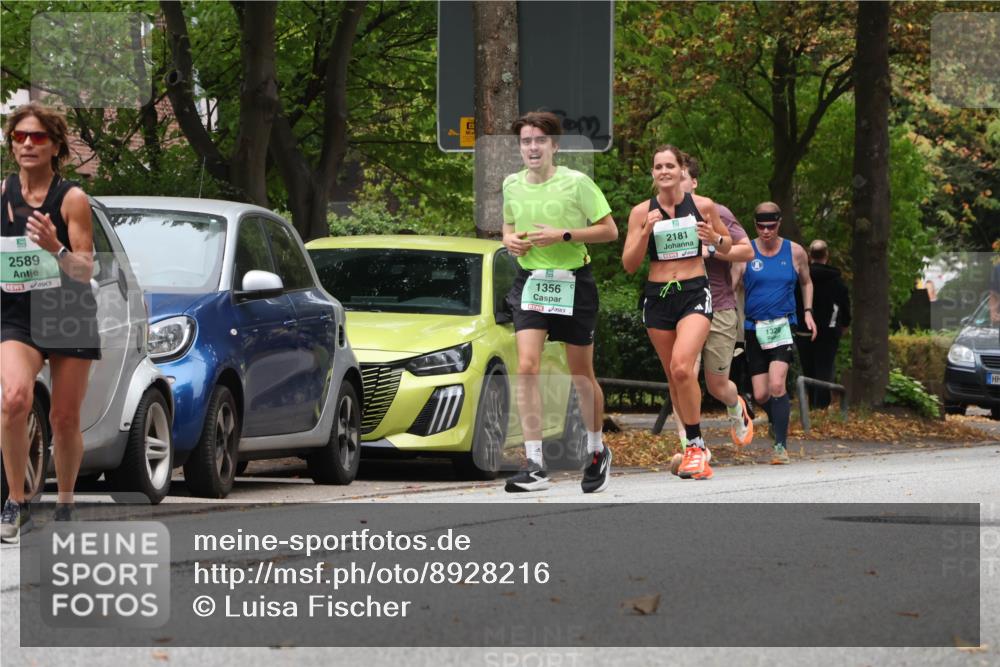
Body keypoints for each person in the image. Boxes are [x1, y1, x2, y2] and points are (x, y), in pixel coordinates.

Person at [501, 111, 618, 493]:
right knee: (528, 367)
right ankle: (535, 464)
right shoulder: (512, 184)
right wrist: (509, 241)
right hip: (531, 281)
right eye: (525, 141)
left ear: (554, 146)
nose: (532, 148)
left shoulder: (577, 182)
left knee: (581, 375)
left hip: (573, 282)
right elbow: (507, 226)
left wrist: (564, 234)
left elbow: (609, 230)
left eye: (539, 141)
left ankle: (597, 450)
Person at [1, 102, 98, 542]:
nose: (26, 144)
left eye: (37, 137)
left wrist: (56, 247)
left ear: (56, 146)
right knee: (14, 400)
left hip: (66, 309)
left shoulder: (72, 198)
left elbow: (85, 269)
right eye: (19, 136)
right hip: (17, 312)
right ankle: (16, 500)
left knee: (63, 417)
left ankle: (66, 503)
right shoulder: (2, 192)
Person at [623, 145, 733, 480]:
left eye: (670, 165)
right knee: (674, 376)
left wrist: (713, 237)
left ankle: (697, 446)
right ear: (653, 173)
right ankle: (690, 447)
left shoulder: (703, 205)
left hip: (694, 292)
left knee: (683, 367)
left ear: (681, 169)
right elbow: (629, 265)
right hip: (658, 297)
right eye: (658, 167)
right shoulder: (642, 211)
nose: (664, 171)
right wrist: (645, 232)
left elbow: (726, 244)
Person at [666, 156, 755, 461]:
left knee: (717, 385)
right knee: (681, 374)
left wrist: (712, 248)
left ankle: (736, 405)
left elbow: (746, 250)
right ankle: (690, 446)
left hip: (718, 306)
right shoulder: (660, 214)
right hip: (681, 306)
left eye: (681, 178)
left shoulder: (714, 211)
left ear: (693, 182)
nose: (675, 183)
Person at [733, 202, 816, 465]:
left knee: (777, 385)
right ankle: (777, 417)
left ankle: (780, 446)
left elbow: (806, 281)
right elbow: (732, 285)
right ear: (755, 225)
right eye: (760, 226)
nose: (766, 231)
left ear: (779, 223)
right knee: (760, 394)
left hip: (782, 325)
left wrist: (808, 311)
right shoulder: (747, 252)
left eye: (771, 226)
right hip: (753, 327)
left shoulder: (795, 252)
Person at [794, 239, 851, 408]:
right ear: (827, 255)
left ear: (810, 256)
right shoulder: (838, 282)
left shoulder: (801, 279)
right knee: (824, 369)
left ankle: (811, 406)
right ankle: (822, 408)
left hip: (804, 330)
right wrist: (844, 324)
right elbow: (844, 308)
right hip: (829, 331)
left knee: (808, 369)